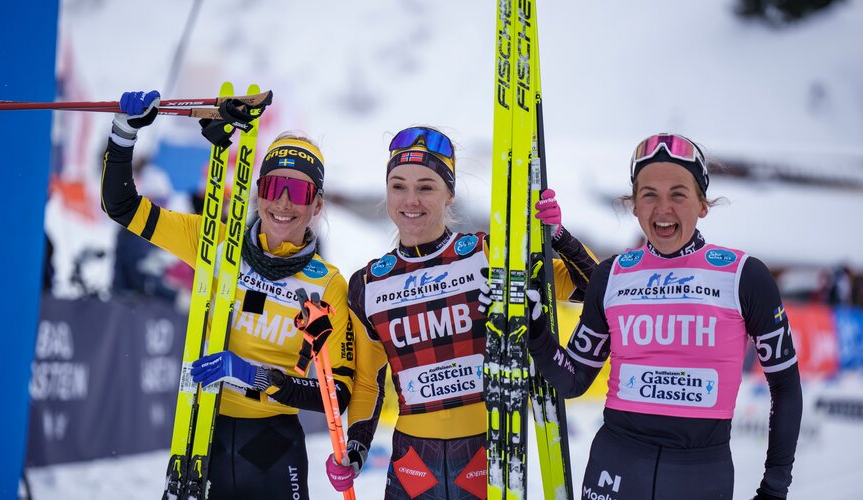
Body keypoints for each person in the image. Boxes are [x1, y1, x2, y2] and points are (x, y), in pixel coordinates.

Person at [100, 90, 353, 499]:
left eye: (299, 192)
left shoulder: (328, 285)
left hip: (274, 449)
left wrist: (256, 375)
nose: (283, 203)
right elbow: (122, 206)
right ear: (259, 191)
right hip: (204, 435)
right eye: (274, 186)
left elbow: (338, 394)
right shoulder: (214, 241)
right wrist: (124, 134)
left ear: (317, 205)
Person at [324, 126, 598, 498]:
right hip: (412, 463)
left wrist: (560, 236)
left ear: (449, 193)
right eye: (398, 186)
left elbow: (593, 289)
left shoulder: (489, 255)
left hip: (485, 456)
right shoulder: (368, 284)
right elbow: (368, 382)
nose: (411, 200)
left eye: (426, 187)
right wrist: (356, 447)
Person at [527, 133, 802, 500]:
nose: (663, 208)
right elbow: (573, 380)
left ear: (702, 204)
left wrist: (774, 488)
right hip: (614, 469)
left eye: (678, 194)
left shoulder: (743, 276)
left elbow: (785, 387)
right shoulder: (612, 276)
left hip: (699, 475)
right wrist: (535, 332)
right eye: (649, 195)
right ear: (634, 206)